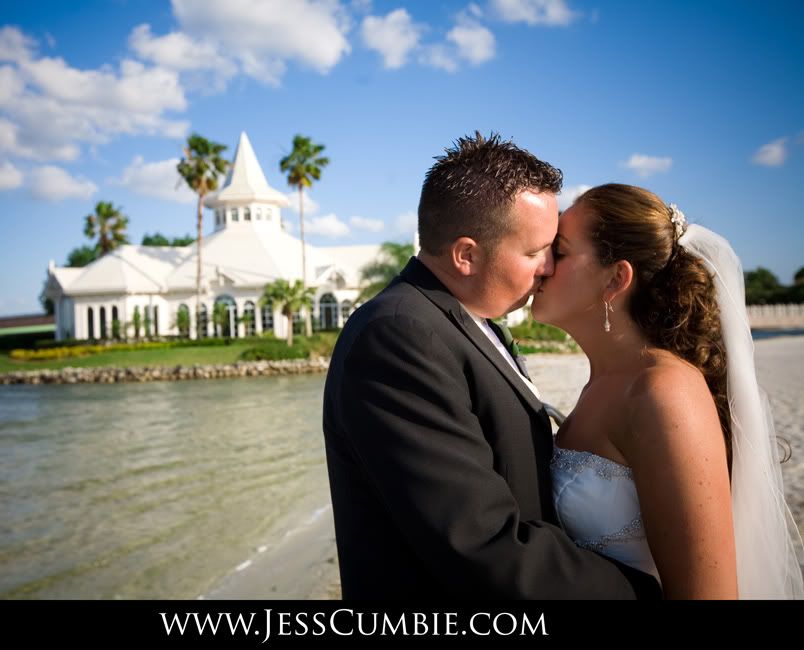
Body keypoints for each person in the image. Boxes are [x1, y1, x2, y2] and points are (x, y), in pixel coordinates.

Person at [322, 134, 662, 599]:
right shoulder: (399, 335)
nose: (548, 267)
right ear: (466, 255)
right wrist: (643, 591)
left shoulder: (469, 321)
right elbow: (480, 542)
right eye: (534, 251)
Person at [531, 183, 804, 599]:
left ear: (615, 278)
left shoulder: (663, 392)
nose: (543, 263)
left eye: (560, 250)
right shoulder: (605, 381)